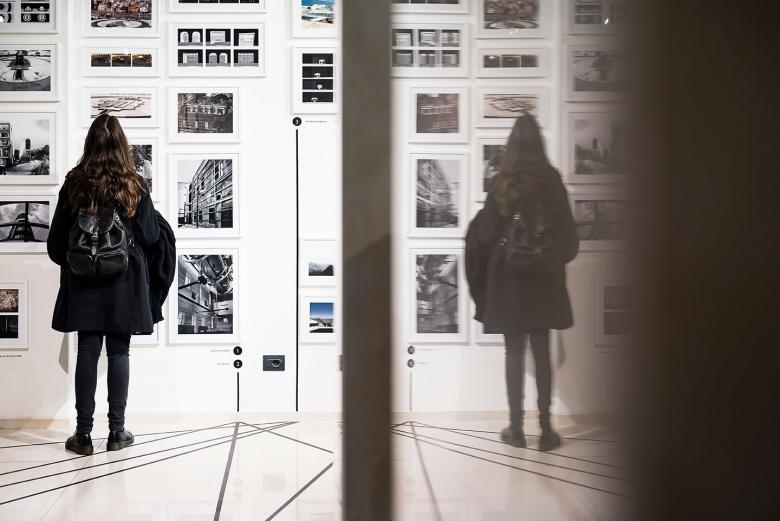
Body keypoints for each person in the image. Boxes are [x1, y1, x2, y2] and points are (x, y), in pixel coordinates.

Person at [47, 114, 162, 456]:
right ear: (122, 146)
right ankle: (116, 432)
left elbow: (55, 245)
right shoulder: (134, 184)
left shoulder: (75, 183)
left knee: (87, 350)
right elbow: (150, 236)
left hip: (84, 282)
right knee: (119, 352)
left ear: (90, 144)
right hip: (123, 283)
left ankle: (82, 435)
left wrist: (81, 262)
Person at [466, 115, 579, 451]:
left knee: (513, 352)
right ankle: (546, 431)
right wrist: (551, 259)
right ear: (539, 142)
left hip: (509, 281)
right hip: (543, 278)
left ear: (511, 145)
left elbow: (486, 236)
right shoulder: (552, 181)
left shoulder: (503, 182)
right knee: (542, 351)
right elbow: (570, 240)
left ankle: (515, 429)